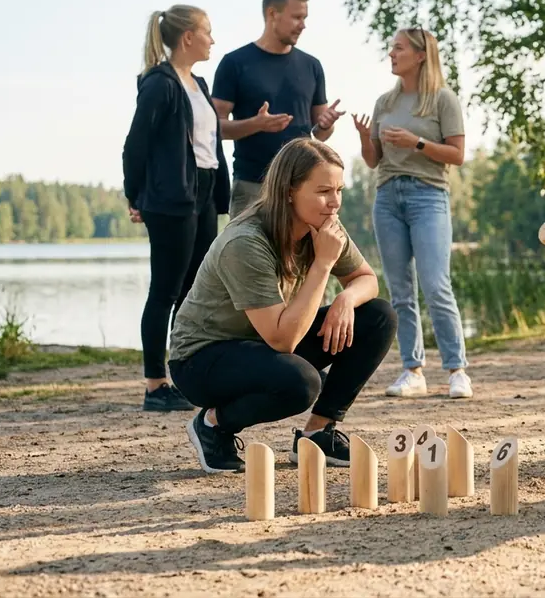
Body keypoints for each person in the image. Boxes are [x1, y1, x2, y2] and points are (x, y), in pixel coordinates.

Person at [168, 138, 396, 474]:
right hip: (201, 358)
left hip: (261, 341)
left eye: (339, 190)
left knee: (378, 317)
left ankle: (317, 432)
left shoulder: (323, 223)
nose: (334, 203)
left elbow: (366, 279)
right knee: (301, 383)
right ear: (289, 191)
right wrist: (322, 265)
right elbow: (283, 341)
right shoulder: (246, 241)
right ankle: (213, 425)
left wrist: (346, 299)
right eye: (323, 191)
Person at [122, 4, 231, 412]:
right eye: (208, 32)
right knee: (165, 290)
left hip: (202, 194)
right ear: (189, 37)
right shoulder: (160, 84)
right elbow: (137, 145)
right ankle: (155, 386)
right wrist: (135, 196)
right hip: (171, 198)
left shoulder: (198, 82)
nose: (212, 39)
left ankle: (185, 379)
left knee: (192, 292)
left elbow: (210, 146)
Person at [352, 27, 471, 399]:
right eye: (392, 48)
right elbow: (374, 161)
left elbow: (457, 155)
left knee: (436, 285)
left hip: (428, 196)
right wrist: (363, 138)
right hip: (387, 196)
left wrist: (416, 142)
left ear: (420, 55)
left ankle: (456, 371)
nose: (391, 53)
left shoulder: (442, 100)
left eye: (398, 48)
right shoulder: (384, 102)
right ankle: (412, 370)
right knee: (400, 290)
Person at [211, 0, 345, 219]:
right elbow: (214, 127)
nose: (303, 25)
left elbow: (321, 134)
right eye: (296, 17)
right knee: (246, 256)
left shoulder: (312, 66)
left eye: (304, 18)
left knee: (302, 257)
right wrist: (257, 124)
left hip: (303, 186)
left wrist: (325, 124)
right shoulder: (234, 63)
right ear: (272, 13)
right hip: (252, 186)